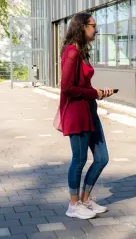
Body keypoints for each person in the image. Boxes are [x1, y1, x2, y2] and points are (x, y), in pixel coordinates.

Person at [58, 12, 114, 219]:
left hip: (89, 112)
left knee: (102, 158)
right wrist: (95, 93)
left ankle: (85, 200)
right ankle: (73, 205)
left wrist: (99, 93)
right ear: (82, 27)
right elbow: (67, 88)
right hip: (76, 113)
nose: (96, 29)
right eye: (93, 26)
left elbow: (82, 84)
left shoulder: (80, 51)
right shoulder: (71, 52)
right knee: (79, 159)